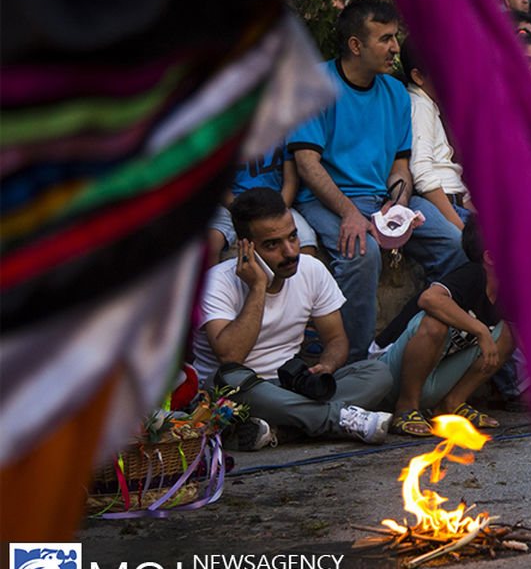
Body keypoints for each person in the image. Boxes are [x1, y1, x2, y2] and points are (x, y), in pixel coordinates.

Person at [289, 0, 466, 361]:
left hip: (383, 199)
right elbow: (307, 163)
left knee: (453, 241)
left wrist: (398, 206)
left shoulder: (395, 92)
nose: (396, 48)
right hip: (327, 201)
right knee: (361, 252)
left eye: (396, 37)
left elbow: (401, 165)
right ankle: (353, 363)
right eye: (385, 38)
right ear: (356, 45)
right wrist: (350, 214)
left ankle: (407, 342)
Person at [192, 188, 395, 448]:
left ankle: (281, 429)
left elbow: (336, 340)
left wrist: (328, 365)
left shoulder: (311, 269)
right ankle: (336, 419)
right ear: (246, 247)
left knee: (377, 372)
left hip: (292, 388)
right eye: (272, 245)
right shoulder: (217, 282)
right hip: (240, 392)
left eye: (293, 237)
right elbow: (230, 357)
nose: (290, 252)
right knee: (226, 379)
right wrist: (257, 288)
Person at [375, 216, 513, 435]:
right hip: (387, 376)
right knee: (435, 322)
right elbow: (429, 299)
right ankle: (406, 408)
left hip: (431, 378)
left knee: (511, 332)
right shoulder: (474, 273)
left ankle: (450, 405)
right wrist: (480, 331)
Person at [205, 140, 319, 267]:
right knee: (213, 241)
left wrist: (278, 210)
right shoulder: (228, 136)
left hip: (276, 204)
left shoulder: (283, 133)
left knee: (306, 240)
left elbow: (290, 181)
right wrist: (240, 210)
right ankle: (212, 285)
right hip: (233, 205)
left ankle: (299, 285)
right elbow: (218, 185)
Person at [401, 39, 473, 233]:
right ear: (417, 76)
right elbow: (422, 174)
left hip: (458, 203)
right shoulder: (420, 105)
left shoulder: (431, 105)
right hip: (445, 206)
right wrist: (462, 232)